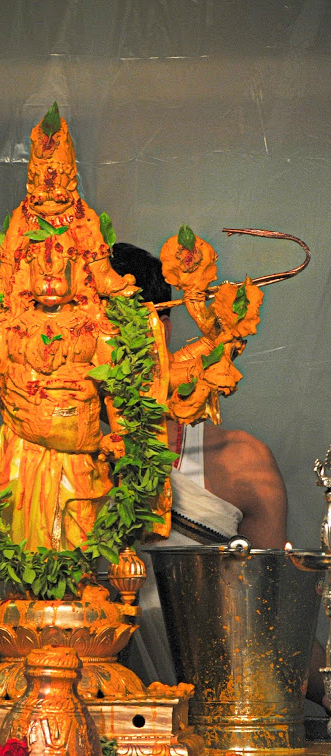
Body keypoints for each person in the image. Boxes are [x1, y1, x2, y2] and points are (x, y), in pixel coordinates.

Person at [109, 243, 329, 710]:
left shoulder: (239, 461)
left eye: (112, 325)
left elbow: (270, 623)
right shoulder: (41, 468)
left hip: (216, 723)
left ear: (161, 326)